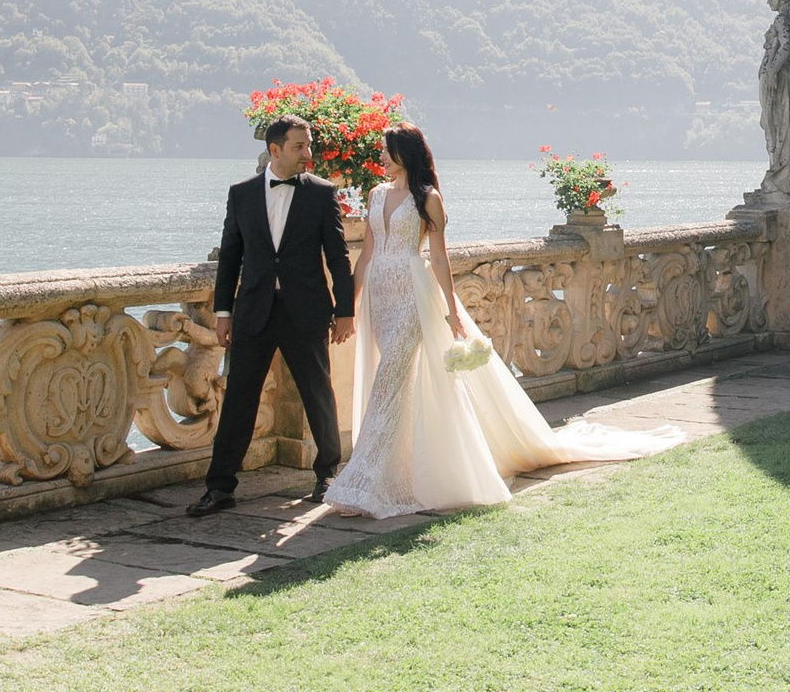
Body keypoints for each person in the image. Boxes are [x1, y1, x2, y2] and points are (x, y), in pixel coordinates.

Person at [322, 124, 678, 518]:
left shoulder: (428, 198)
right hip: (379, 295)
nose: (383, 157)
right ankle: (397, 472)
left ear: (405, 152)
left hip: (411, 295)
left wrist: (452, 311)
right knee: (392, 383)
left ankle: (365, 481)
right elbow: (366, 255)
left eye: (388, 150)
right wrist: (347, 307)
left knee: (388, 380)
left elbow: (438, 258)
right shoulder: (376, 195)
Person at [190, 117, 354, 517]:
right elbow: (230, 255)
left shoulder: (321, 193)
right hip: (254, 311)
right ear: (275, 150)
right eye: (300, 146)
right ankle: (220, 486)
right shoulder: (241, 193)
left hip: (306, 311)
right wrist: (223, 311)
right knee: (238, 400)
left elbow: (337, 255)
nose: (308, 154)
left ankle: (327, 473)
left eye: (309, 145)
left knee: (318, 393)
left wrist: (345, 310)